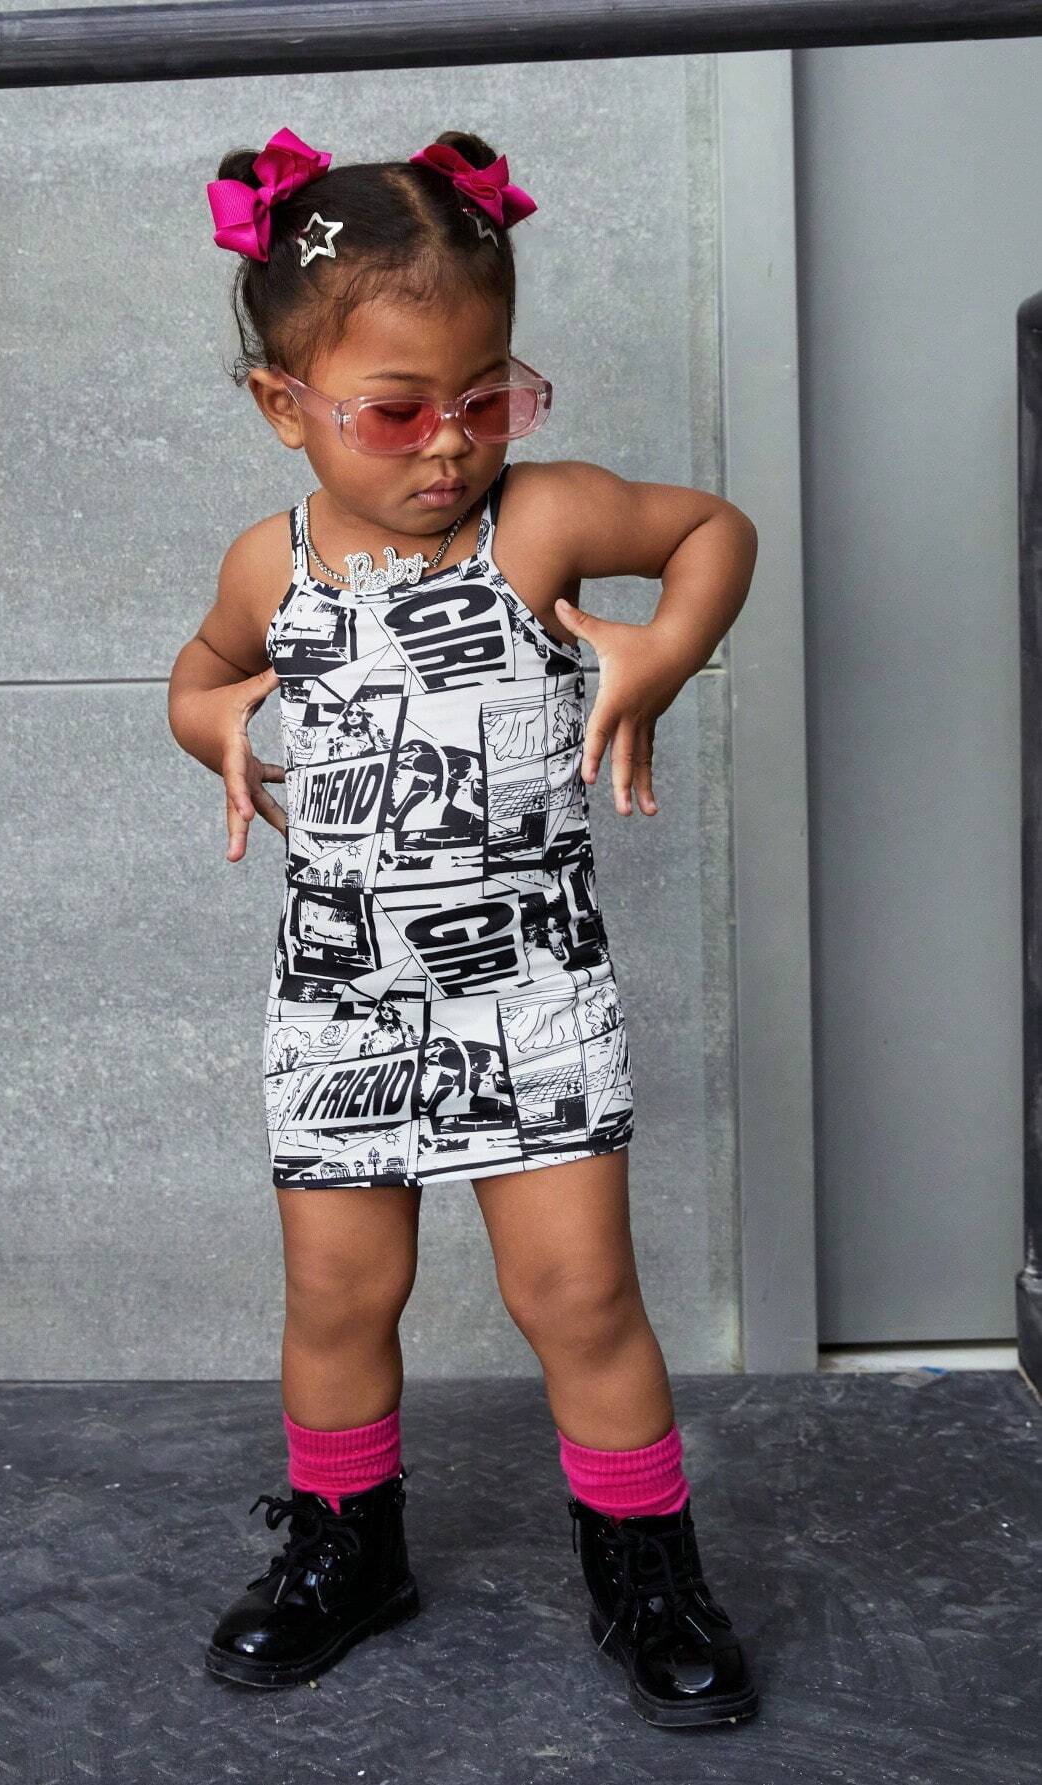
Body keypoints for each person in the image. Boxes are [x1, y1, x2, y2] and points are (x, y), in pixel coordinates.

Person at [167, 125, 760, 1727]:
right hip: (344, 998)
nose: (449, 444)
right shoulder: (272, 563)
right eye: (397, 409)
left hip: (532, 995)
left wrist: (660, 652)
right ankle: (346, 1547)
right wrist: (213, 722)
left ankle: (647, 1569)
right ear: (283, 405)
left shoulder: (542, 522)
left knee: (579, 1294)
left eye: (488, 396)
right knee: (336, 1294)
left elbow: (712, 532)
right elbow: (201, 674)